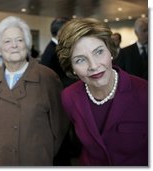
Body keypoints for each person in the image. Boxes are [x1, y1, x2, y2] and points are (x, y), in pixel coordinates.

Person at [56, 18, 148, 166]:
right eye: (80, 60)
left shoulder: (145, 93)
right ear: (71, 67)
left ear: (110, 51)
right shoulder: (69, 97)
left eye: (98, 52)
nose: (93, 66)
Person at [0, 16, 68, 166]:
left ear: (27, 44)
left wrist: (43, 153)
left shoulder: (47, 77)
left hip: (34, 160)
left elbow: (60, 127)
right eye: (7, 41)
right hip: (0, 161)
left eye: (19, 40)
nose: (14, 45)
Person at [40, 18, 76, 88]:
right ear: (60, 32)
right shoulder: (54, 51)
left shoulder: (54, 47)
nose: (70, 34)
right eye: (68, 31)